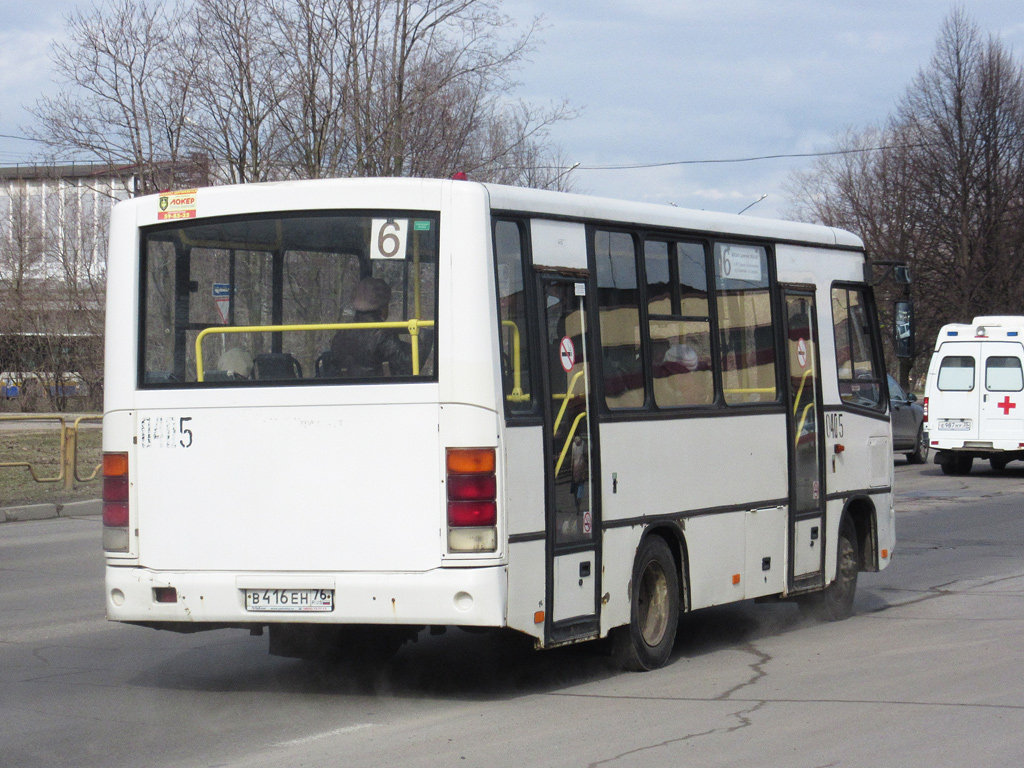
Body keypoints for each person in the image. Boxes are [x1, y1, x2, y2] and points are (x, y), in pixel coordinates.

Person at [328, 277, 431, 377]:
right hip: (381, 391)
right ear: (383, 308)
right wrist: (425, 334)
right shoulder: (383, 334)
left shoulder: (340, 334)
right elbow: (410, 365)